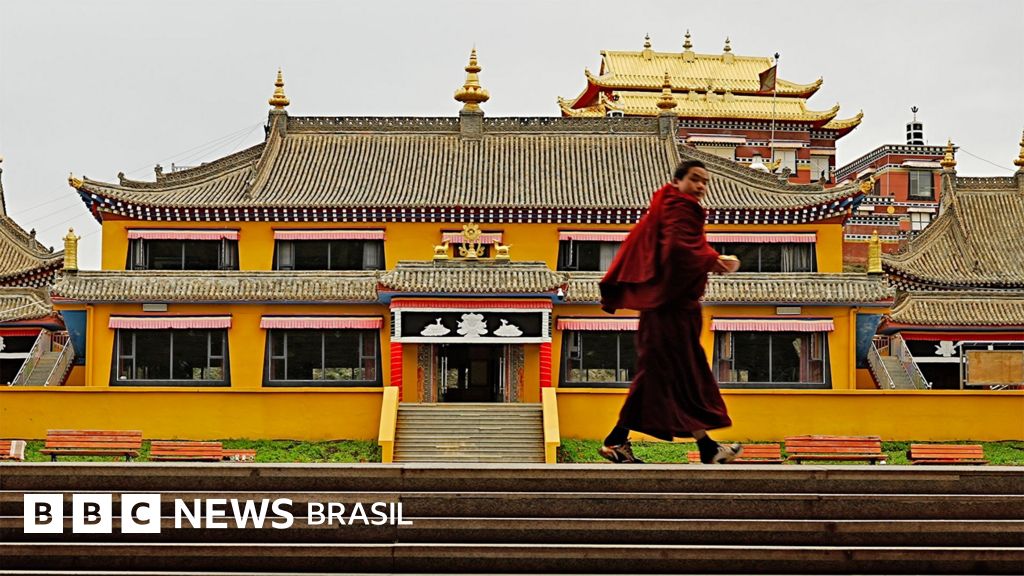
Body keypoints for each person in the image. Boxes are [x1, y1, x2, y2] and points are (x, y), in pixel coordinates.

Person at [598, 160, 742, 465]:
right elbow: (678, 247)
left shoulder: (665, 206)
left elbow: (675, 248)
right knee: (671, 374)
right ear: (677, 181)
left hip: (664, 306)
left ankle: (704, 447)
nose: (701, 186)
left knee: (671, 376)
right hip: (671, 308)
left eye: (705, 181)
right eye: (695, 179)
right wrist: (715, 259)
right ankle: (617, 442)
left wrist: (706, 259)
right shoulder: (681, 207)